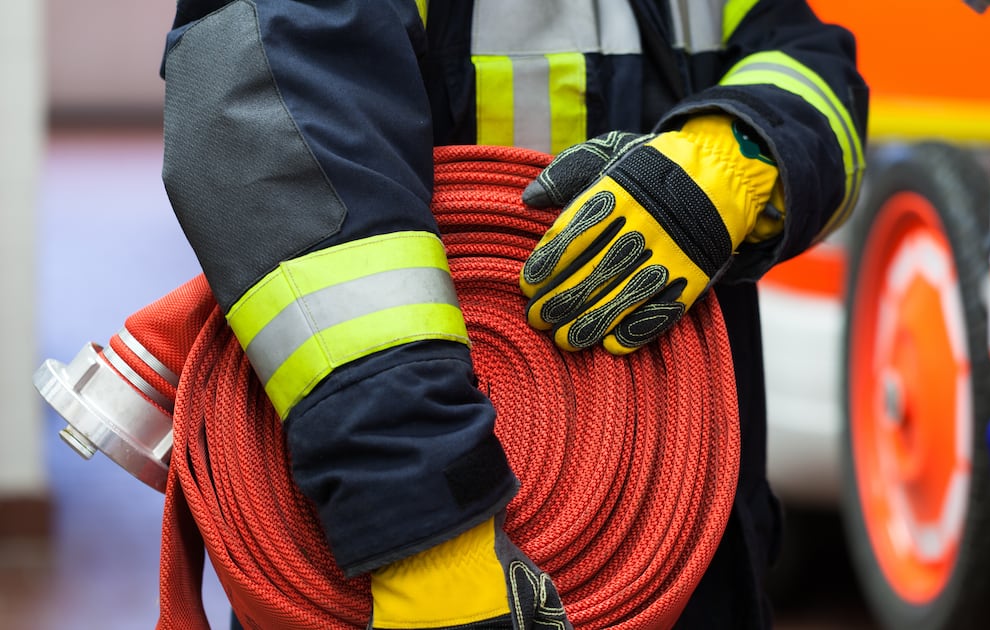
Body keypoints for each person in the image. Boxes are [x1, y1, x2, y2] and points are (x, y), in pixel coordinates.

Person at [158, 1, 867, 628]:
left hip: (692, 543)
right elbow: (274, 146)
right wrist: (429, 536)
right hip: (397, 558)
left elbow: (814, 67)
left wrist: (731, 155)